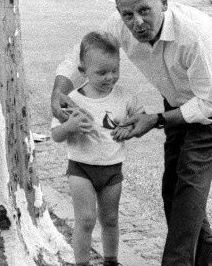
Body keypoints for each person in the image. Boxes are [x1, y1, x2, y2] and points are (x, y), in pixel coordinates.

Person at [51, 0, 212, 266]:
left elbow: (210, 102)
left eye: (144, 10)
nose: (137, 23)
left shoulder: (193, 34)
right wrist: (58, 92)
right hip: (178, 98)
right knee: (173, 189)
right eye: (127, 14)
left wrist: (156, 119)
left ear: (164, 2)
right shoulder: (119, 26)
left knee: (190, 178)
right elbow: (81, 55)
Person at [51, 31, 144, 266]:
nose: (110, 77)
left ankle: (111, 260)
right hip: (81, 168)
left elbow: (140, 119)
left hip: (112, 169)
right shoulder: (72, 100)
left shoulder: (124, 97)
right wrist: (69, 126)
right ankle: (81, 263)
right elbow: (55, 135)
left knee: (111, 219)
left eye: (115, 70)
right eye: (101, 73)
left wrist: (131, 128)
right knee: (85, 219)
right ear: (83, 71)